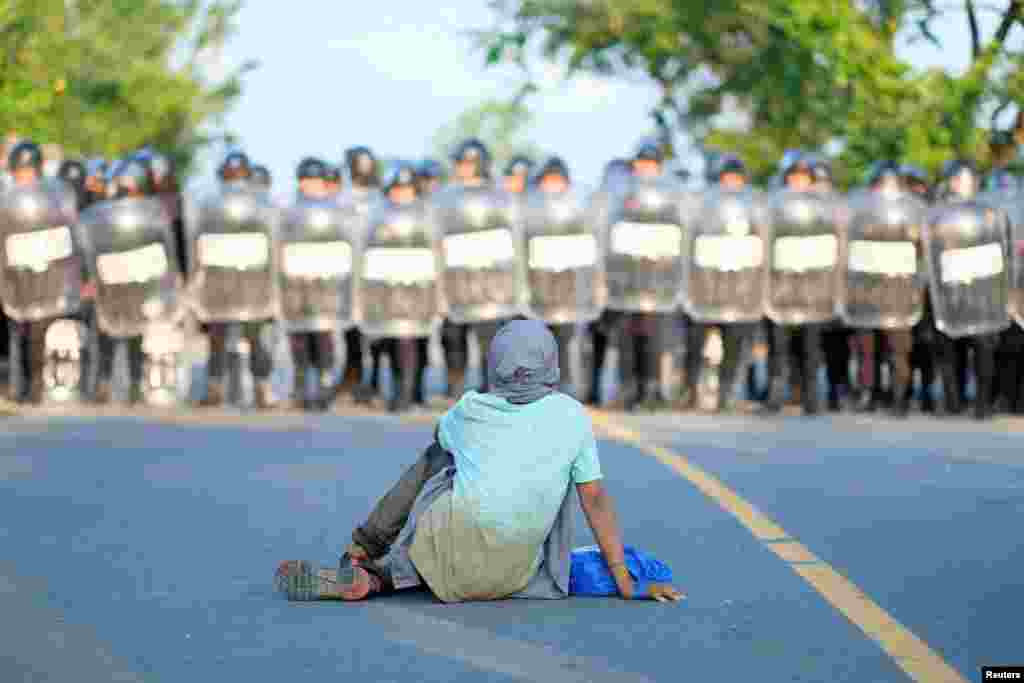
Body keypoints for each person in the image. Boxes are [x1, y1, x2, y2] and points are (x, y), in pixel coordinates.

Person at [275, 319, 683, 603]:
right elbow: (594, 500)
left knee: (442, 469)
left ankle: (377, 569)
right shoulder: (573, 415)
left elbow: (415, 479)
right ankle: (387, 573)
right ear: (551, 365)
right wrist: (624, 581)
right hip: (515, 575)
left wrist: (366, 540)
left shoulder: (468, 411)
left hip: (448, 556)